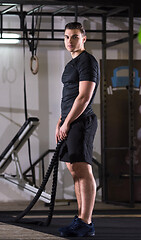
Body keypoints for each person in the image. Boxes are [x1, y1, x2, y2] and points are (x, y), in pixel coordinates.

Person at [56, 22, 98, 237]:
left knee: (83, 169)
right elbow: (69, 96)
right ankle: (81, 218)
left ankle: (86, 222)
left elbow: (83, 97)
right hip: (70, 121)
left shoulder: (87, 62)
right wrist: (61, 120)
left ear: (84, 38)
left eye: (74, 37)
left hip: (82, 121)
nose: (69, 41)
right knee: (74, 171)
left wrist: (67, 122)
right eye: (66, 37)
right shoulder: (71, 64)